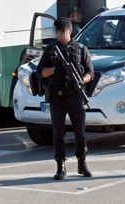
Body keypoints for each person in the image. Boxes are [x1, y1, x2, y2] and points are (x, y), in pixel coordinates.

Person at [36, 17, 95, 180]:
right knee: (58, 132)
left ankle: (82, 163)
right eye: (58, 32)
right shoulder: (50, 50)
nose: (61, 35)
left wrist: (80, 81)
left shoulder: (81, 49)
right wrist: (55, 69)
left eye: (63, 32)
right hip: (57, 96)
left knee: (80, 132)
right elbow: (39, 72)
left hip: (75, 95)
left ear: (70, 31)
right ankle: (60, 166)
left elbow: (91, 73)